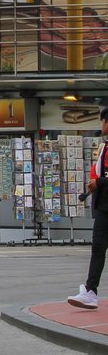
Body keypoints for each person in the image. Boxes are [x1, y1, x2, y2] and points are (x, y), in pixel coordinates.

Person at [69, 109, 108, 308]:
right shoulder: (104, 147)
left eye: (102, 122)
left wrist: (99, 182)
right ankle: (91, 291)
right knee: (98, 247)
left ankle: (91, 290)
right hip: (103, 205)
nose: (101, 126)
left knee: (98, 247)